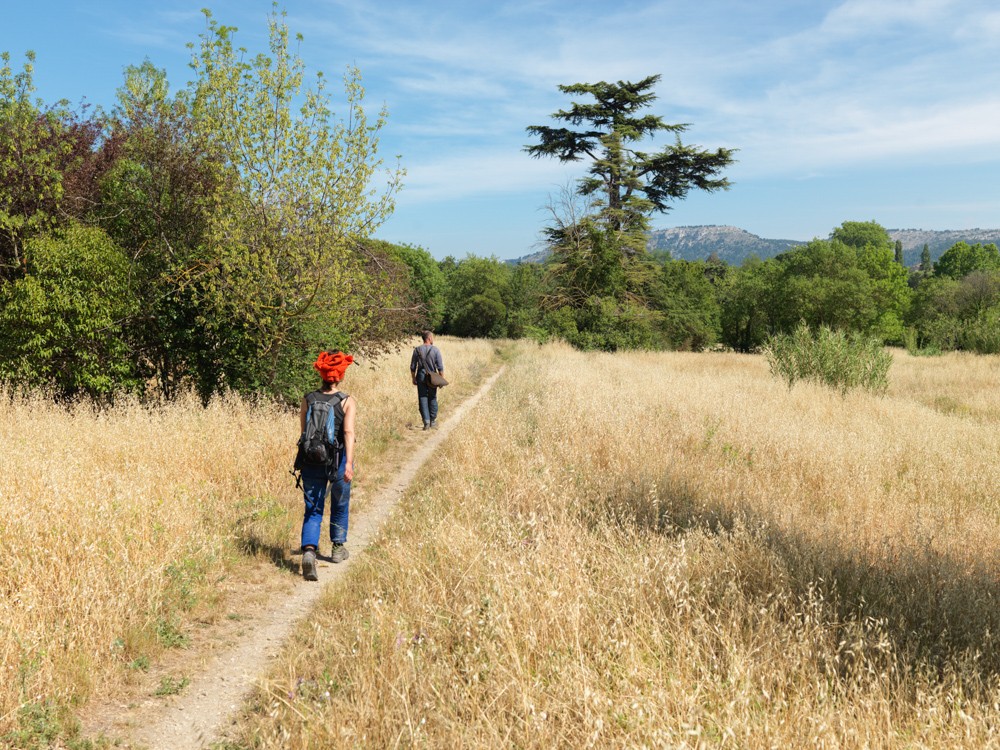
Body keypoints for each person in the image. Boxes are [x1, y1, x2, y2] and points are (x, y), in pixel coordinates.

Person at [298, 350, 356, 581]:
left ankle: (309, 552)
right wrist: (349, 463)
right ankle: (337, 548)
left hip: (311, 459)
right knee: (340, 503)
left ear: (321, 374)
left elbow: (304, 432)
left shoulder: (308, 399)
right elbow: (348, 432)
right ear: (340, 376)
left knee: (313, 508)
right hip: (338, 460)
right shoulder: (347, 401)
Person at [410, 330, 445, 430]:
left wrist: (413, 378)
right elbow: (440, 368)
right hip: (432, 376)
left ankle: (426, 422)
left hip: (420, 375)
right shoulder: (435, 350)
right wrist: (441, 380)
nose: (433, 339)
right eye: (432, 337)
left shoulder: (417, 350)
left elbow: (413, 367)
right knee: (432, 397)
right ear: (429, 338)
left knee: (422, 397)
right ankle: (432, 421)